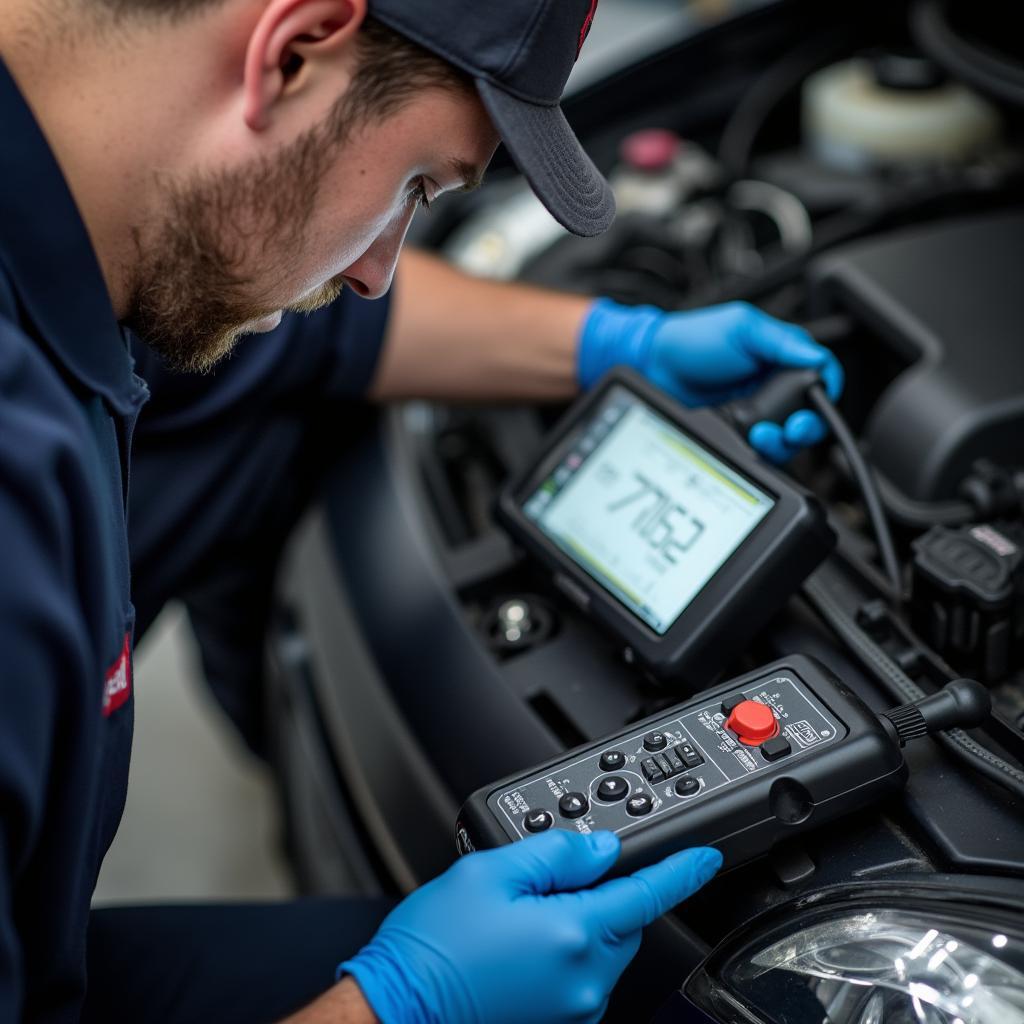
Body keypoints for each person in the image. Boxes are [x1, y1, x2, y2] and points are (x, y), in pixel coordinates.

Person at [0, 1, 842, 1022]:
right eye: (413, 187)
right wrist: (401, 1006)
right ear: (292, 49)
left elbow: (315, 341)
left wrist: (620, 344)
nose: (372, 271)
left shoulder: (95, 199)